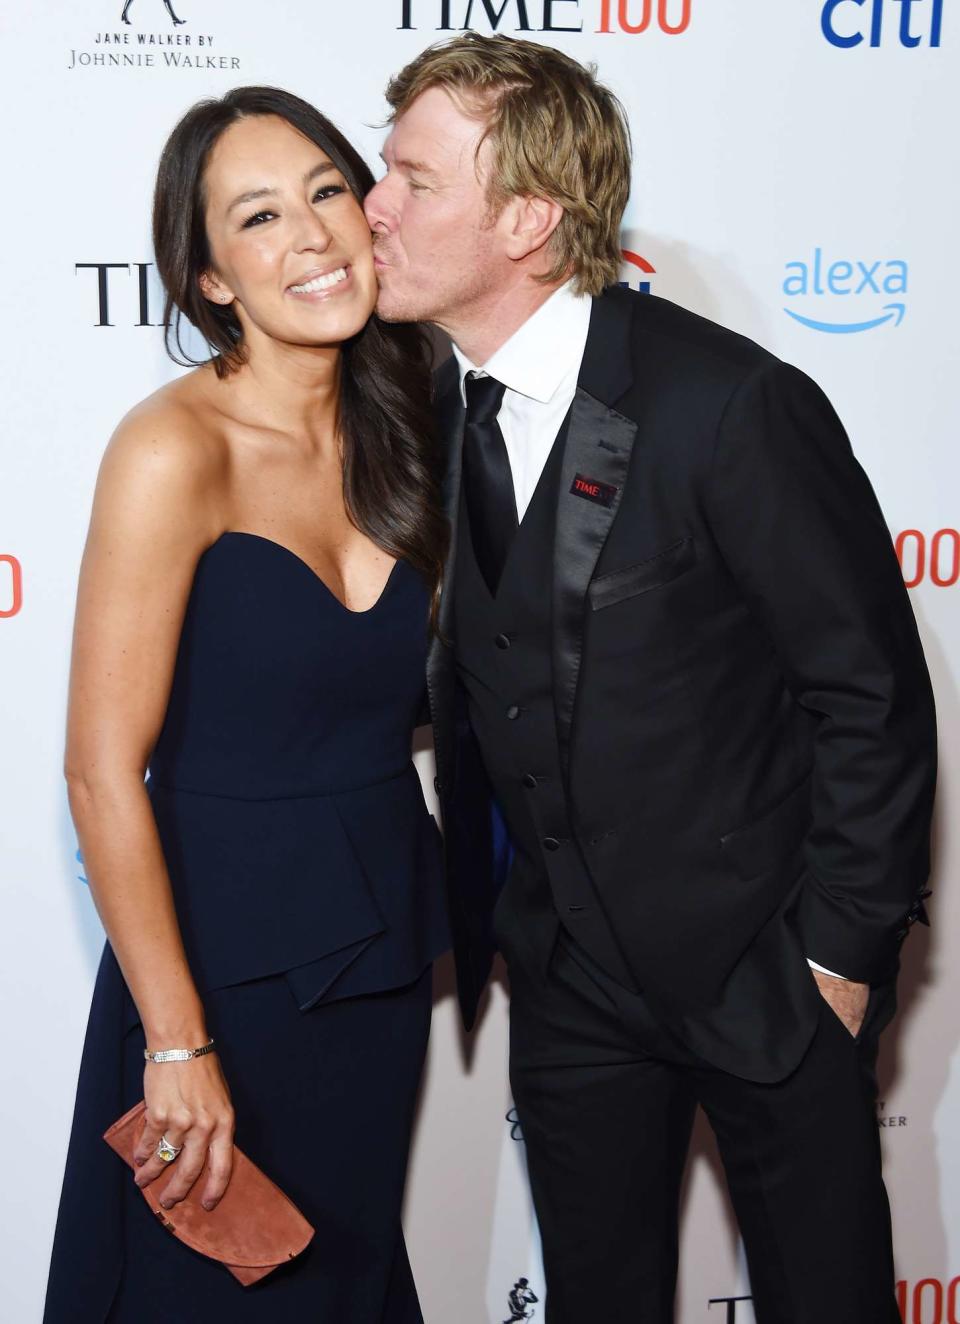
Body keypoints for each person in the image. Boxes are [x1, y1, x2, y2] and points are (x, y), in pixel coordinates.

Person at [366, 33, 938, 1324]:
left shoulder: (726, 407)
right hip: (569, 983)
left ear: (525, 217)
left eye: (412, 177)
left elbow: (873, 695)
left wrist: (835, 965)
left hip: (766, 974)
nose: (374, 206)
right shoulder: (449, 406)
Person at [44, 85, 448, 1323]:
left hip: (376, 963)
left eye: (329, 191)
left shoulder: (418, 422)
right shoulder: (174, 448)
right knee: (217, 1288)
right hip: (218, 980)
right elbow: (101, 769)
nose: (314, 237)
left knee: (344, 1276)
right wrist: (176, 1041)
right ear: (211, 275)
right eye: (261, 217)